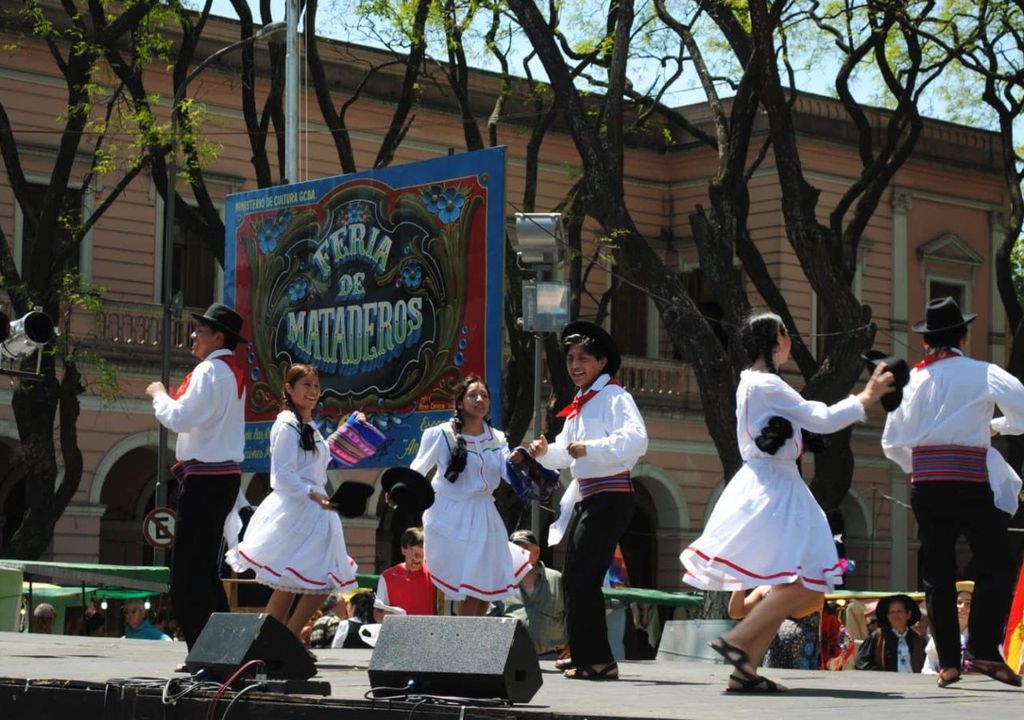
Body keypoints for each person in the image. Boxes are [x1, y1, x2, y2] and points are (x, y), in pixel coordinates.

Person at [680, 311, 893, 693]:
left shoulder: (751, 383)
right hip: (776, 487)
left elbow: (788, 426)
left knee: (790, 584)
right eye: (786, 334)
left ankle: (744, 669)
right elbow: (821, 416)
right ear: (778, 340)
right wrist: (866, 397)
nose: (789, 341)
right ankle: (739, 639)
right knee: (811, 581)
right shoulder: (767, 384)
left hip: (766, 483)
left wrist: (794, 436)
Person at [882, 296, 1024, 688]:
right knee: (996, 563)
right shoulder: (983, 372)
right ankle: (981, 648)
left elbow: (892, 442)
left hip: (928, 486)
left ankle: (948, 661)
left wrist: (923, 465)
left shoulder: (912, 380)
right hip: (969, 482)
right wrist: (995, 426)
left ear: (926, 341)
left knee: (937, 573)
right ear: (963, 334)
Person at [528, 320, 648, 681]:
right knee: (574, 578)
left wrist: (589, 447)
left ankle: (599, 660)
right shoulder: (580, 404)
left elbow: (636, 441)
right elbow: (566, 455)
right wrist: (543, 453)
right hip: (589, 496)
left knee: (583, 577)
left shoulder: (614, 396)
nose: (575, 365)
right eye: (570, 358)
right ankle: (583, 653)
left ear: (601, 362)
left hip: (611, 495)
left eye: (583, 357)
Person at [226, 364, 380, 639]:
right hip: (298, 509)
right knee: (296, 581)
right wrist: (314, 496)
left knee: (313, 580)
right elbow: (282, 475)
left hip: (315, 510)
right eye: (306, 385)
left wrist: (351, 429)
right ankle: (273, 641)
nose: (312, 391)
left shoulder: (307, 425)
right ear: (289, 388)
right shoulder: (286, 425)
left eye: (316, 386)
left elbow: (318, 460)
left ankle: (285, 639)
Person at [147, 302, 247, 650]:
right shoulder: (230, 372)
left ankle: (205, 649)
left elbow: (181, 418)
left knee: (188, 572)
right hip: (220, 476)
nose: (193, 335)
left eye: (200, 331)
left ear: (218, 337)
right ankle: (220, 649)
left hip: (205, 477)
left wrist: (158, 394)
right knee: (202, 568)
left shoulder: (209, 372)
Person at [408, 374, 532, 617]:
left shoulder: (497, 438)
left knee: (485, 584)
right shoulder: (440, 434)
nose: (479, 399)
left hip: (485, 514)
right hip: (451, 514)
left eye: (484, 395)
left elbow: (508, 471)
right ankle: (461, 642)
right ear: (460, 402)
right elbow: (417, 470)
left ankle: (471, 640)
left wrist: (521, 460)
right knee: (467, 580)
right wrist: (399, 490)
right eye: (472, 395)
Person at [489, 529, 567, 657]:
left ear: (537, 551)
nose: (521, 553)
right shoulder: (502, 582)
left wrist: (573, 647)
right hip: (513, 659)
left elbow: (572, 615)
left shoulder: (556, 579)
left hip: (554, 659)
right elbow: (491, 622)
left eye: (526, 548)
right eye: (516, 549)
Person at [727, 585, 822, 670]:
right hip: (769, 656)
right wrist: (740, 584)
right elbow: (736, 612)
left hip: (801, 658)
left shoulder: (811, 590)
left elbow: (796, 613)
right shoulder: (764, 589)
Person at [374, 526, 437, 620]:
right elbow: (377, 614)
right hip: (399, 632)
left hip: (428, 632)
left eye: (421, 555)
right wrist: (389, 615)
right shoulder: (387, 577)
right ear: (404, 550)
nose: (416, 560)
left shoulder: (434, 575)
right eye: (413, 553)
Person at [855, 594, 926, 672]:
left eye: (899, 611)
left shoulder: (918, 640)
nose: (896, 615)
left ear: (908, 615)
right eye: (892, 612)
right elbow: (862, 662)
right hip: (887, 683)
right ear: (888, 616)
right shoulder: (878, 637)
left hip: (915, 682)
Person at [923, 581, 973, 674]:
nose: (962, 607)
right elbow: (927, 669)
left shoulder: (982, 636)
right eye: (959, 602)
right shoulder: (942, 634)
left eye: (968, 604)